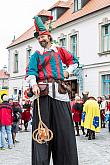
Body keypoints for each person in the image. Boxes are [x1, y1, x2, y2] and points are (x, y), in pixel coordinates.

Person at [26, 16, 79, 165]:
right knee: (42, 134)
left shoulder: (60, 51)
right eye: (38, 38)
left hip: (60, 95)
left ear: (49, 36)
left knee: (64, 134)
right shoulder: (36, 54)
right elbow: (31, 71)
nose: (40, 39)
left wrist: (68, 71)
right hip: (42, 95)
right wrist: (33, 84)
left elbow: (74, 62)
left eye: (42, 36)